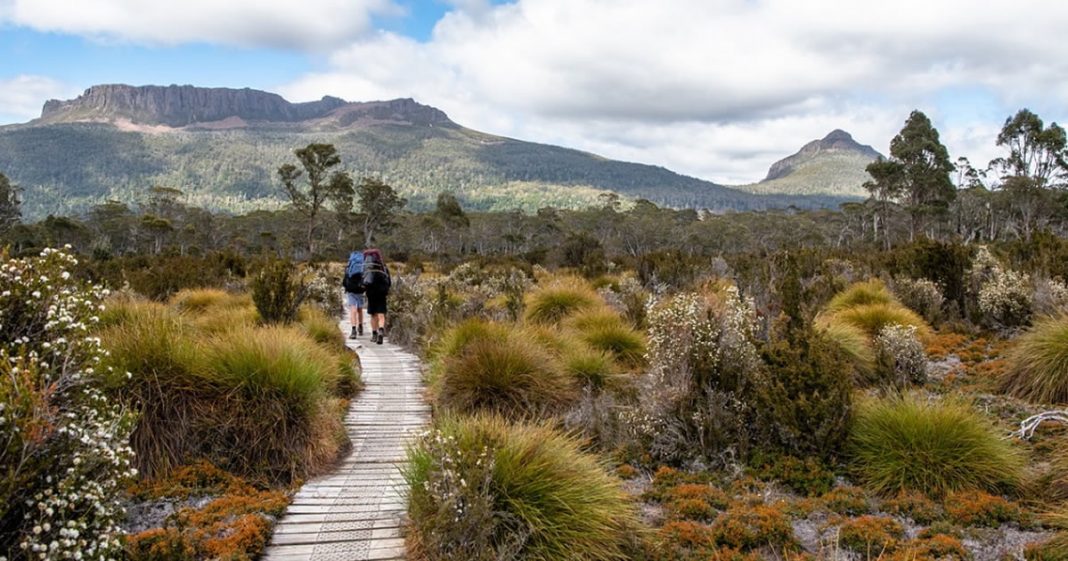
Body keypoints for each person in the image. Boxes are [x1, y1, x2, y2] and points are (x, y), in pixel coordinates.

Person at [362, 248, 392, 345]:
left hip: (371, 293)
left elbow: (363, 281)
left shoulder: (367, 267)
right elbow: (389, 282)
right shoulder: (383, 267)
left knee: (373, 314)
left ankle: (374, 334)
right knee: (381, 314)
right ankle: (381, 331)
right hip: (382, 293)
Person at [342, 250, 366, 339]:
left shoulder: (349, 266)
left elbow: (344, 281)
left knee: (353, 310)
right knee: (360, 309)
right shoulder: (362, 265)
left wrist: (346, 287)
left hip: (351, 290)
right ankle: (360, 326)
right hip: (360, 290)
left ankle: (353, 330)